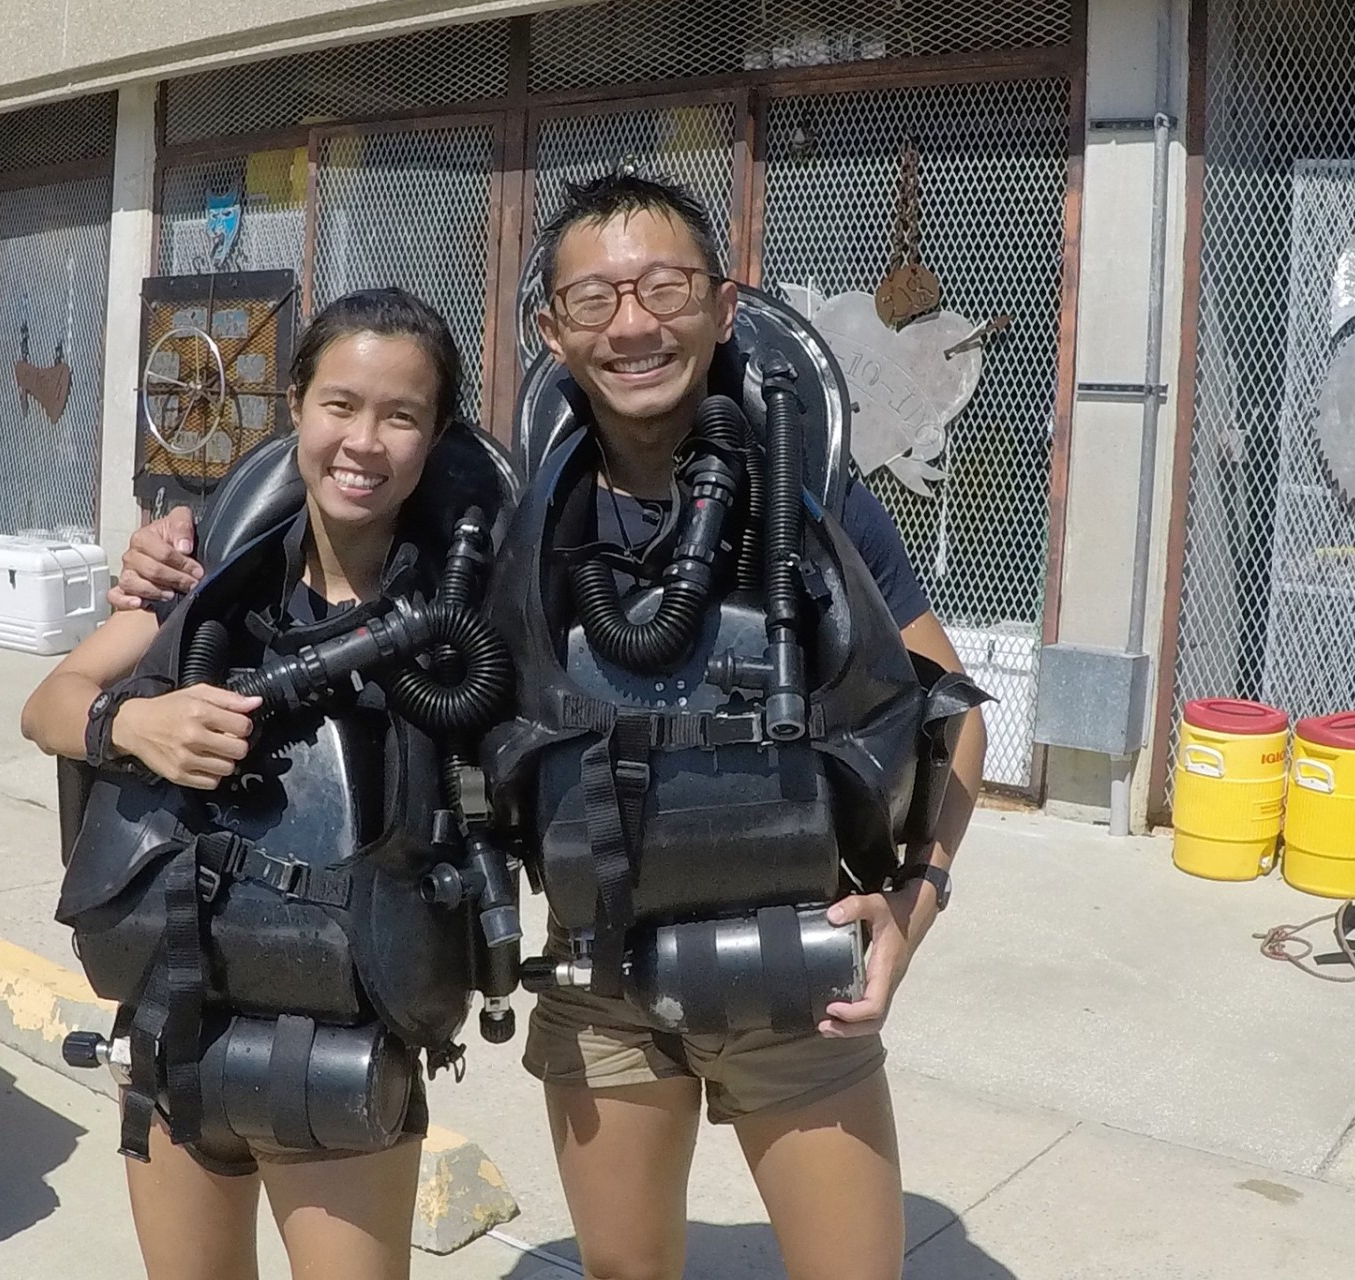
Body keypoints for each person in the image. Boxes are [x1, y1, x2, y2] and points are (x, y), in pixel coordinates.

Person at [115, 174, 988, 1280]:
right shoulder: (505, 516)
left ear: (723, 306)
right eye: (595, 299)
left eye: (665, 288)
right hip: (598, 979)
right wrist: (172, 553)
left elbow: (953, 717)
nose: (633, 324)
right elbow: (342, 508)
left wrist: (916, 900)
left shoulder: (807, 494)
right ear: (551, 330)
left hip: (793, 969)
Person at [24, 287, 496, 1280]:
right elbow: (50, 704)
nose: (362, 441)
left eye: (401, 415)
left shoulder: (471, 611)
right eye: (340, 404)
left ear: (437, 434)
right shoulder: (203, 575)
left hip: (344, 1043)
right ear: (294, 407)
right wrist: (136, 724)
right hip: (175, 1023)